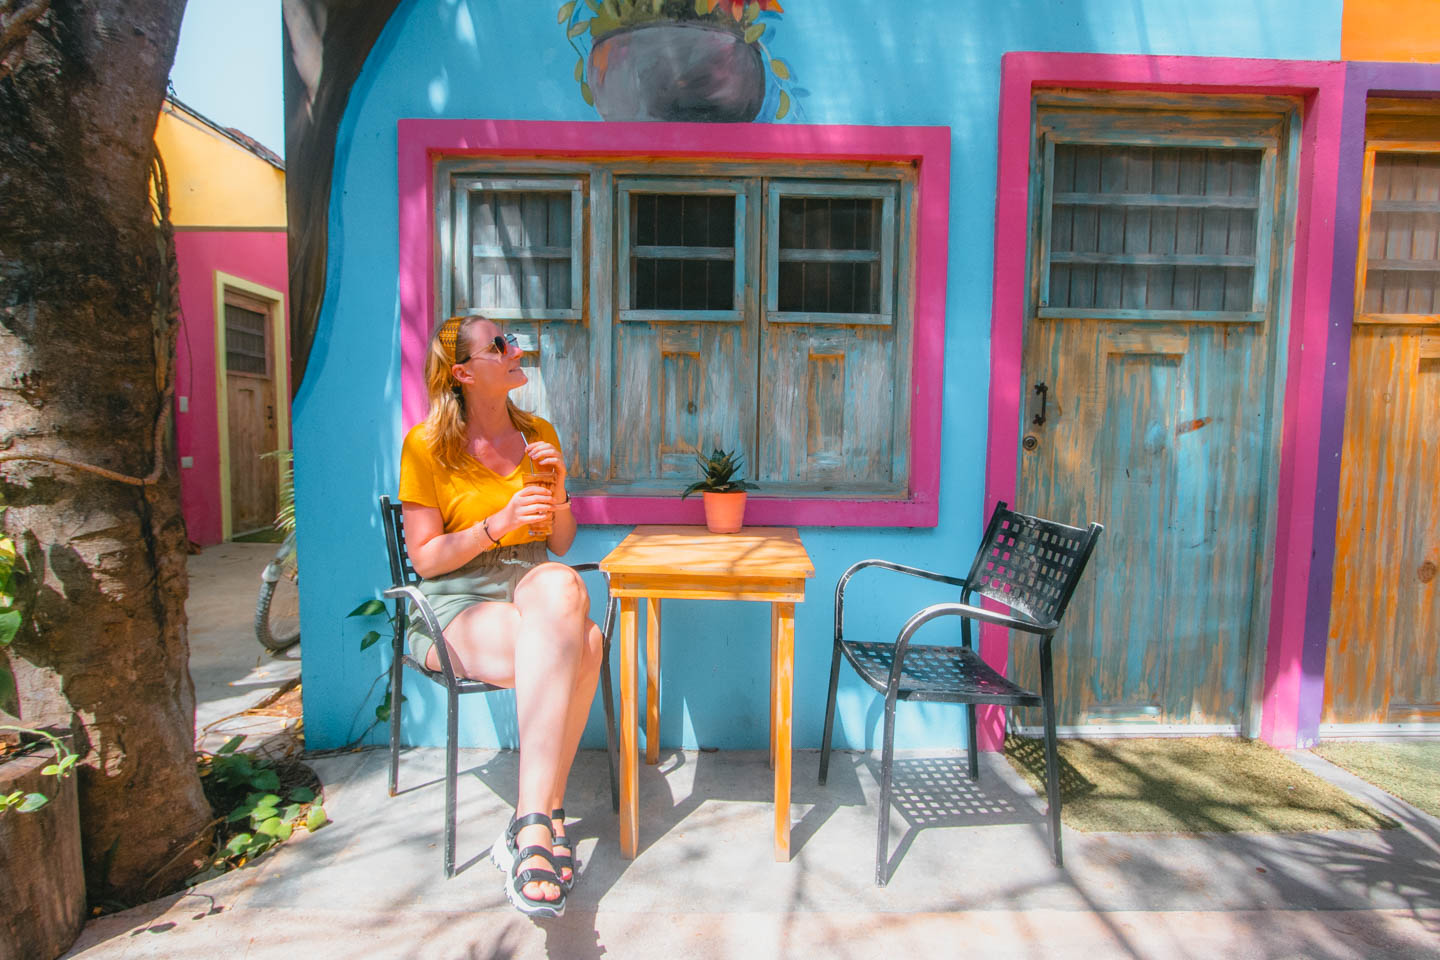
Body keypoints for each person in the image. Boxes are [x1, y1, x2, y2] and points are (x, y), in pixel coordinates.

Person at [397, 314, 602, 919]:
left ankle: (529, 824)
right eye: (500, 345)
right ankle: (543, 820)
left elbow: (562, 542)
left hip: (531, 585)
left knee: (561, 585)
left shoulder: (538, 431)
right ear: (463, 372)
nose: (516, 349)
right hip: (457, 601)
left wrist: (560, 491)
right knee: (583, 643)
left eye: (512, 339)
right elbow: (426, 559)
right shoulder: (426, 446)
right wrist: (498, 524)